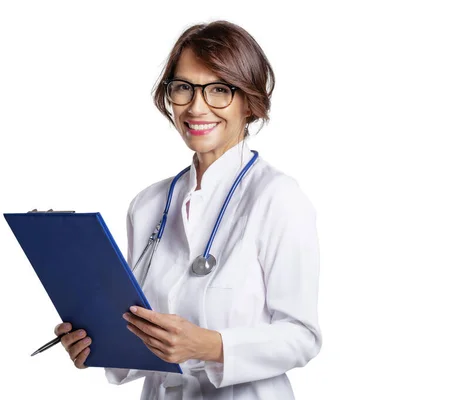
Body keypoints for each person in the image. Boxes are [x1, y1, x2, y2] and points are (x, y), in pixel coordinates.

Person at [54, 20, 322, 399]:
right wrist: (95, 343)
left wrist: (209, 346)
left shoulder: (278, 198)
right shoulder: (148, 204)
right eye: (183, 88)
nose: (197, 107)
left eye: (219, 90)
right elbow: (141, 329)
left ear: (249, 100)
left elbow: (302, 336)